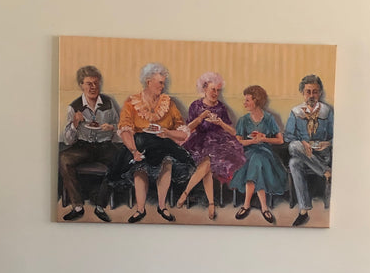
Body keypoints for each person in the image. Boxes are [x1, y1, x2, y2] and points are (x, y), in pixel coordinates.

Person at [112, 63, 194, 223]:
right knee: (139, 166)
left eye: (164, 83)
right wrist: (133, 150)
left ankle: (162, 206)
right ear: (148, 82)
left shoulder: (169, 103)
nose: (163, 87)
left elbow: (183, 133)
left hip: (163, 144)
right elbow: (125, 129)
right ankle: (140, 209)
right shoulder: (132, 102)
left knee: (167, 161)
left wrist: (167, 132)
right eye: (160, 83)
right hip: (139, 144)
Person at [174, 72, 246, 221]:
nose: (215, 93)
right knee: (207, 164)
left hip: (220, 143)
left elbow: (233, 131)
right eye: (213, 89)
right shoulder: (196, 105)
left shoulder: (221, 107)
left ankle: (186, 193)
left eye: (218, 90)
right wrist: (201, 117)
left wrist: (220, 123)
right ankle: (211, 203)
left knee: (208, 163)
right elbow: (188, 128)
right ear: (205, 88)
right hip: (199, 141)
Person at [58, 65, 121, 222]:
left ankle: (100, 206)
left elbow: (121, 127)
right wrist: (74, 123)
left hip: (105, 145)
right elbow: (68, 140)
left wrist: (112, 128)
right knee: (64, 159)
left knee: (120, 159)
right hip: (83, 146)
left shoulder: (109, 103)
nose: (93, 87)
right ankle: (77, 207)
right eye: (89, 83)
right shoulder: (74, 107)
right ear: (81, 85)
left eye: (96, 83)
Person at [230, 85, 286, 224]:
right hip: (248, 153)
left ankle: (246, 205)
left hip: (266, 154)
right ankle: (264, 208)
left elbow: (280, 140)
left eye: (247, 100)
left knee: (258, 160)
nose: (244, 103)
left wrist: (264, 139)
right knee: (255, 161)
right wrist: (252, 141)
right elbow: (238, 142)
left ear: (257, 101)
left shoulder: (269, 119)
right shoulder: (243, 120)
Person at [284, 74, 333, 227]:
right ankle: (304, 211)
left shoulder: (327, 111)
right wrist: (303, 143)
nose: (311, 95)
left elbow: (337, 136)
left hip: (321, 154)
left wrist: (327, 143)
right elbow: (288, 136)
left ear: (320, 93)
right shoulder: (296, 112)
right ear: (303, 93)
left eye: (315, 92)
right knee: (294, 152)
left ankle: (323, 168)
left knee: (294, 160)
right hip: (303, 153)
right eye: (308, 92)